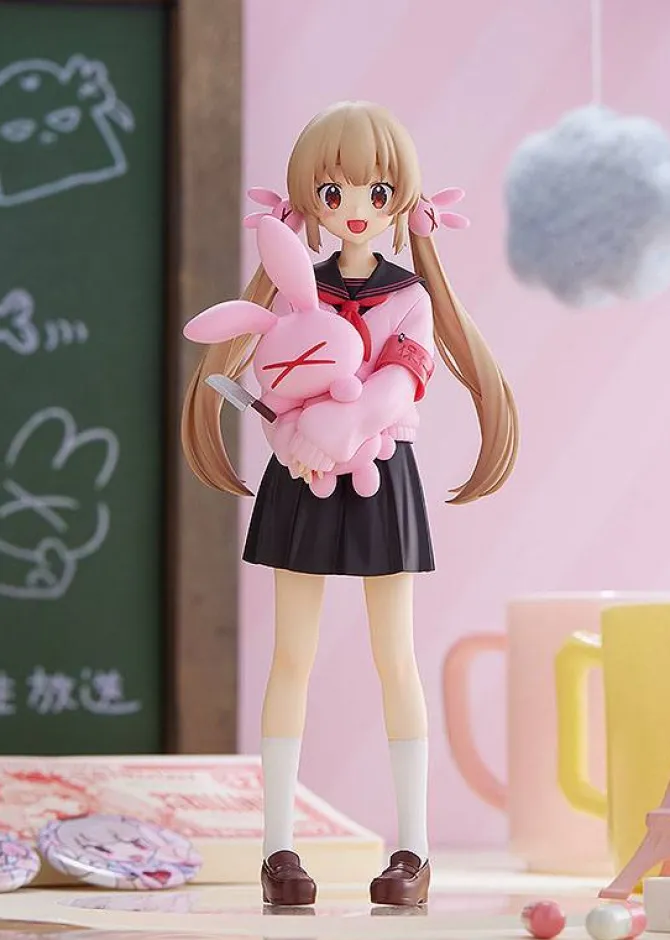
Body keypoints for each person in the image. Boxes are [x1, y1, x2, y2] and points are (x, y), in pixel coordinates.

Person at [181, 100, 518, 907]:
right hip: (300, 478)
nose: (357, 209)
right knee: (290, 658)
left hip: (379, 471)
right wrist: (289, 432)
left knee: (393, 657)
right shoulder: (296, 291)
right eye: (334, 193)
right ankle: (278, 849)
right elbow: (273, 374)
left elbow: (396, 384)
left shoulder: (411, 297)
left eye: (377, 191)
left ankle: (414, 850)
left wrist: (334, 430)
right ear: (311, 201)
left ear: (401, 199)